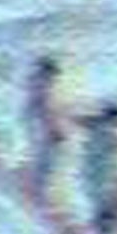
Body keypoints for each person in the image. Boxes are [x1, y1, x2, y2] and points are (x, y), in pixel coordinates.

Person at [76, 102, 117, 234]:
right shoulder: (109, 134)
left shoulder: (95, 130)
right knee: (104, 218)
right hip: (102, 183)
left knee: (100, 217)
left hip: (92, 179)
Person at [21, 56, 67, 203]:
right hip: (40, 124)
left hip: (35, 121)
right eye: (52, 74)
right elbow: (45, 109)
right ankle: (35, 191)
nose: (54, 78)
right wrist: (54, 129)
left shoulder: (35, 82)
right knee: (43, 158)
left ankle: (34, 188)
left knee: (39, 155)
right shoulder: (42, 85)